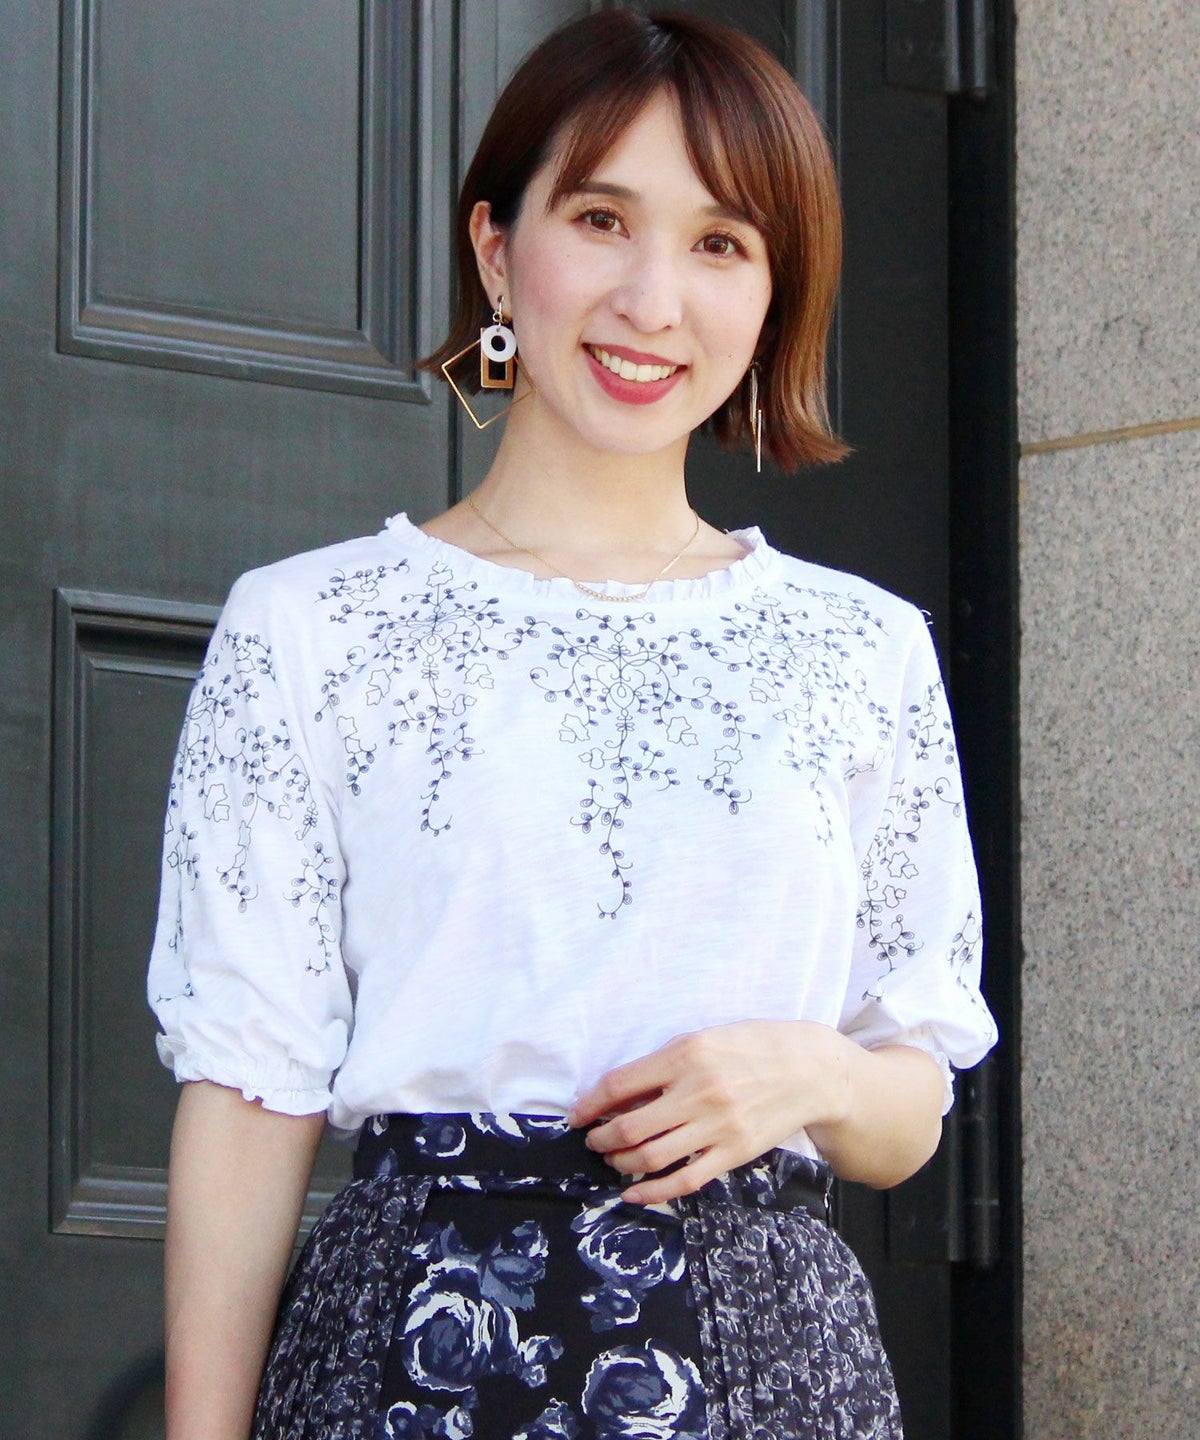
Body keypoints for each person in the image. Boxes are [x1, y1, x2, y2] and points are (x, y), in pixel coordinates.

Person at [149, 11, 998, 1440]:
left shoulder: (862, 648)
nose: (652, 300)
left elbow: (910, 1099)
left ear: (775, 291)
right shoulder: (309, 628)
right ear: (496, 248)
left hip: (765, 1365)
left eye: (721, 243)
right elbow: (247, 1096)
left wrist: (812, 1074)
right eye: (601, 220)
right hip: (406, 1361)